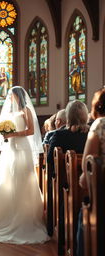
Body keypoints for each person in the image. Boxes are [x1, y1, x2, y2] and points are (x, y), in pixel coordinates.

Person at [0, 86, 49, 244]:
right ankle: (5, 215)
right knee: (7, 180)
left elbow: (31, 130)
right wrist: (5, 135)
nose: (9, 98)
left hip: (22, 148)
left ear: (17, 95)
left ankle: (22, 217)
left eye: (11, 95)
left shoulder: (26, 110)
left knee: (22, 181)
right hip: (10, 148)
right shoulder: (10, 113)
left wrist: (13, 134)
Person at [78, 88, 105, 256]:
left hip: (103, 194)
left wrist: (85, 178)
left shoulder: (100, 124)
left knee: (85, 214)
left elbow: (87, 163)